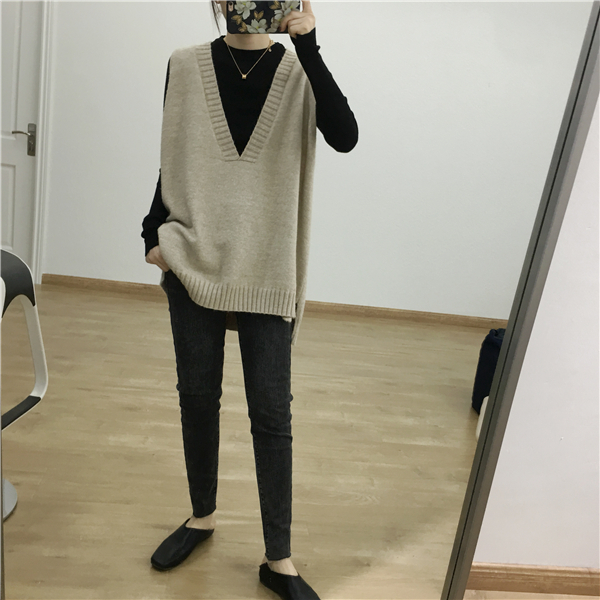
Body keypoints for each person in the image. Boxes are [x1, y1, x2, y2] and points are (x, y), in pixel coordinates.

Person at [141, 1, 358, 598]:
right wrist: (151, 235)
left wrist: (309, 44)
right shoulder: (183, 65)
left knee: (271, 413)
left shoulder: (299, 73)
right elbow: (172, 158)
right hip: (191, 258)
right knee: (196, 396)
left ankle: (278, 559)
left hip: (267, 266)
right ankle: (202, 517)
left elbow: (345, 137)